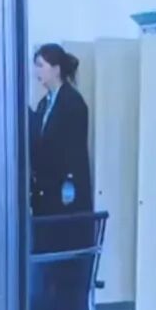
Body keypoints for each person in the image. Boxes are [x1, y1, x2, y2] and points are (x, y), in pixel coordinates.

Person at [29, 43, 93, 217]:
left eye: (40, 65)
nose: (36, 72)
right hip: (44, 192)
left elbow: (74, 153)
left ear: (56, 69)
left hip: (65, 195)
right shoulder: (43, 104)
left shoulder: (73, 103)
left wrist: (69, 185)